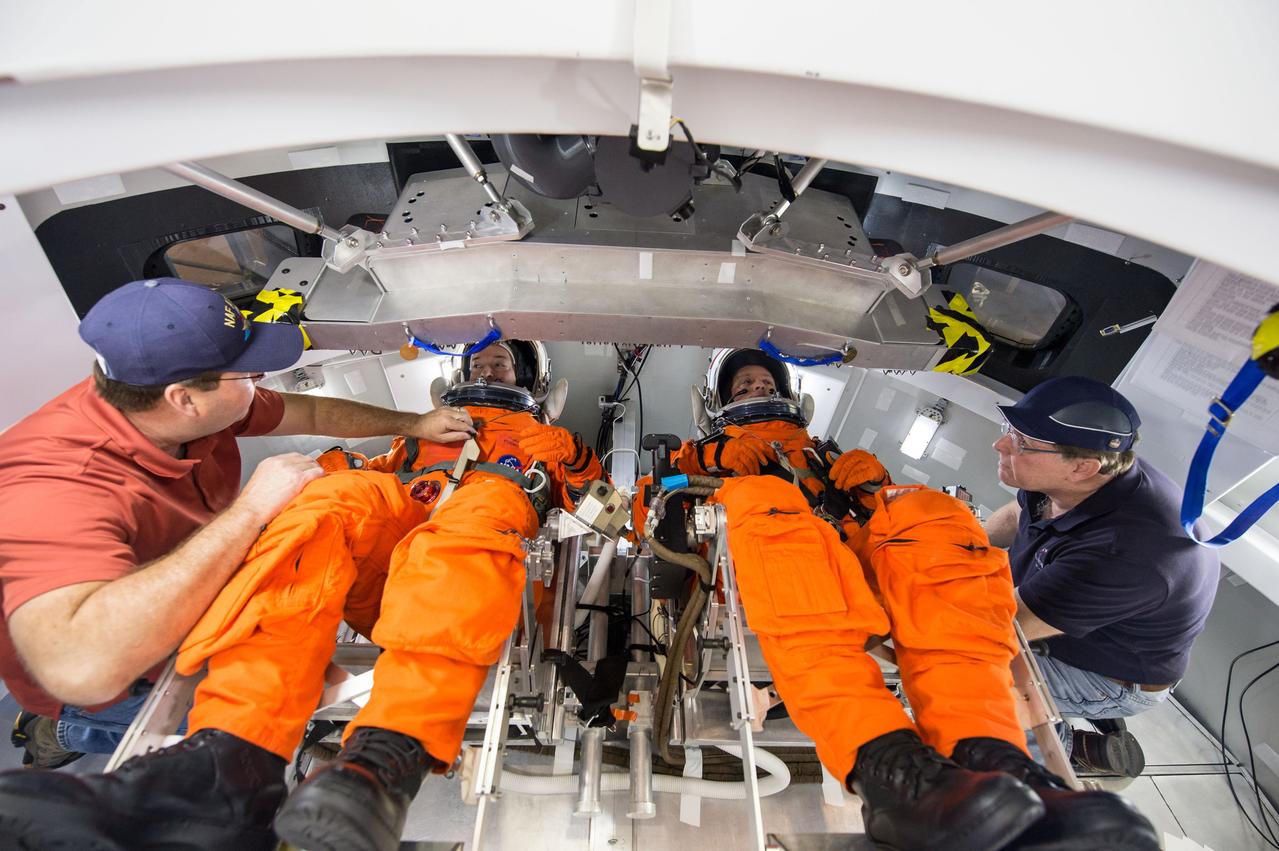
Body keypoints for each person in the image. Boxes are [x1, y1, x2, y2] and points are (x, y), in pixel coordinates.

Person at [0, 339, 605, 851]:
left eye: (502, 364)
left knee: (465, 529)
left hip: (484, 538)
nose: (488, 371)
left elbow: (600, 507)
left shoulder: (550, 439)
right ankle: (233, 759)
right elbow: (375, 467)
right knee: (323, 504)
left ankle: (380, 766)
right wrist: (346, 464)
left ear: (530, 379)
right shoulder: (427, 432)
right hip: (401, 524)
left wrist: (581, 470)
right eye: (480, 363)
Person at [664, 348, 1158, 851]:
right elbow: (651, 509)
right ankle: (890, 772)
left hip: (855, 550)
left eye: (763, 384)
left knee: (929, 506)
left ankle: (992, 759)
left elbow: (888, 522)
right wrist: (710, 461)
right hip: (766, 548)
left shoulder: (823, 450)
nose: (755, 392)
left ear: (788, 395)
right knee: (763, 501)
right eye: (742, 388)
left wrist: (874, 487)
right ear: (718, 401)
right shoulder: (695, 454)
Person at [0, 278, 474, 771]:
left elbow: (309, 409)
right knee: (228, 726)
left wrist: (413, 423)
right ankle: (56, 730)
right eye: (248, 373)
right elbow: (82, 668)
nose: (261, 379)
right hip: (122, 669)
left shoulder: (181, 406)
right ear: (184, 399)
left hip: (196, 593)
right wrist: (250, 512)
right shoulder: (51, 483)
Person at [984, 376, 1220, 777]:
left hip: (1117, 678)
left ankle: (1063, 755)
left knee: (978, 682)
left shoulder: (1125, 554)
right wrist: (960, 546)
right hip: (1068, 617)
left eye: (1022, 442)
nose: (1001, 445)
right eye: (1011, 430)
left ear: (1082, 467)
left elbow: (1001, 626)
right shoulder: (1084, 478)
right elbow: (1016, 515)